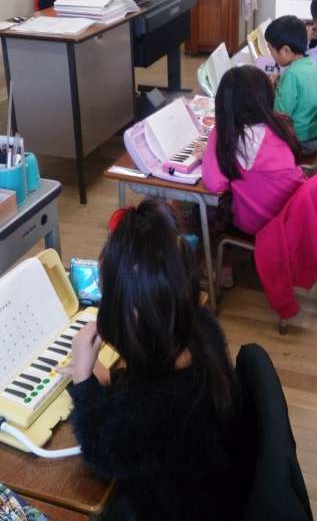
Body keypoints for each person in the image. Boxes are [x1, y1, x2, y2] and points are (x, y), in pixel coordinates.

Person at [65, 199, 245, 521]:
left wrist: (83, 382)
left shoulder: (158, 405)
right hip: (216, 488)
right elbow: (147, 388)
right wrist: (112, 379)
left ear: (133, 312)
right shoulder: (201, 325)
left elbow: (102, 453)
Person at [202, 66, 305, 236]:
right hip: (293, 214)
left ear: (224, 104)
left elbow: (214, 185)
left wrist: (209, 151)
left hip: (260, 224)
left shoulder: (223, 135)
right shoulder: (281, 122)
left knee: (202, 207)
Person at [264, 16, 317, 152]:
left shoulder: (291, 75)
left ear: (286, 50)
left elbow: (279, 115)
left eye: (271, 50)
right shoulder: (311, 63)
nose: (271, 55)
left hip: (299, 140)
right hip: (313, 132)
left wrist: (269, 90)